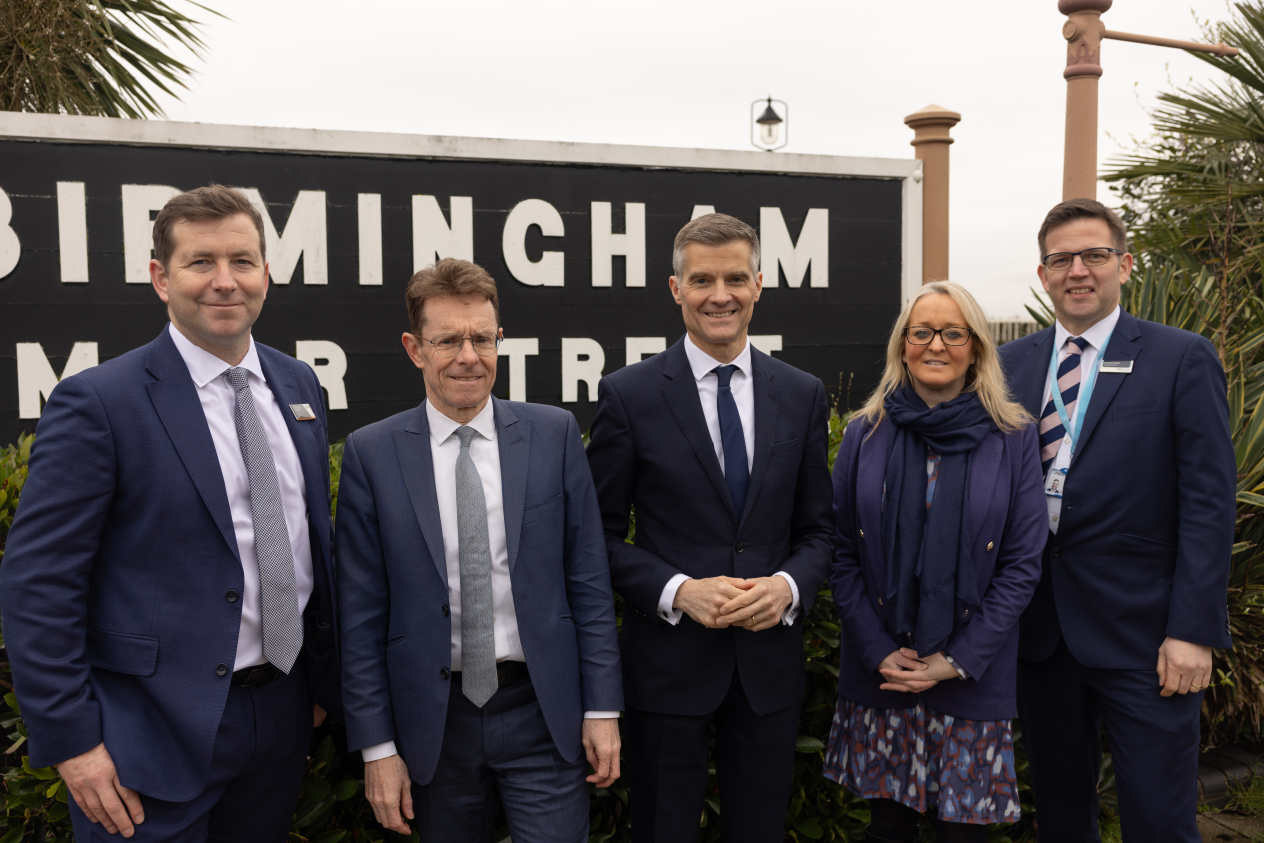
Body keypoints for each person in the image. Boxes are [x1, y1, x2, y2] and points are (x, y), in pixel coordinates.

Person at [0, 185, 341, 841]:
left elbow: (307, 541)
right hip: (143, 737)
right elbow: (39, 583)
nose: (225, 281)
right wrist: (73, 742)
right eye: (200, 262)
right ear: (161, 277)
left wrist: (320, 676)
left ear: (266, 272)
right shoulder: (99, 403)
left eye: (242, 261)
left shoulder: (298, 385)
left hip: (280, 716)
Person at [335, 258, 623, 842]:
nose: (468, 355)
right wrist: (377, 747)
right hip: (433, 725)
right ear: (415, 348)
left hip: (544, 713)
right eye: (448, 340)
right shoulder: (372, 453)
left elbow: (588, 582)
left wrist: (602, 709)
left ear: (499, 340)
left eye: (482, 338)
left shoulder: (555, 434)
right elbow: (360, 615)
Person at [586, 213, 834, 842]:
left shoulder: (802, 394)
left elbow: (820, 533)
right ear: (676, 290)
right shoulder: (629, 395)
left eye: (734, 278)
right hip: (667, 668)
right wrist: (677, 590)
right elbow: (595, 538)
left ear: (758, 286)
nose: (718, 295)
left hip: (767, 670)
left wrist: (787, 586)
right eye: (702, 280)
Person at [1000, 199, 1235, 842]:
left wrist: (1193, 630)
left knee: (1158, 820)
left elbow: (1211, 503)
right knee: (1062, 815)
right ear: (1043, 273)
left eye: (1094, 255)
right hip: (1041, 634)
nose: (1078, 271)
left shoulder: (1181, 357)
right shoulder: (1011, 367)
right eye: (1061, 259)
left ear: (1124, 265)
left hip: (1148, 639)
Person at [825, 281, 1046, 843]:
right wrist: (880, 653)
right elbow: (840, 552)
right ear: (903, 344)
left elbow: (1022, 564)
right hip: (887, 674)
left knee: (962, 836)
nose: (936, 345)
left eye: (953, 333)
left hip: (971, 675)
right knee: (887, 830)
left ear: (975, 347)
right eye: (921, 332)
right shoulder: (863, 433)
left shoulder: (1014, 437)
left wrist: (957, 660)